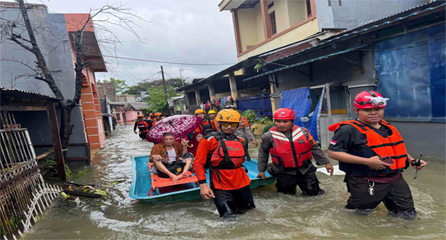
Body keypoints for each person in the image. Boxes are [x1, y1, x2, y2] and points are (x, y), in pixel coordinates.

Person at [327, 91, 427, 219]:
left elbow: (393, 148)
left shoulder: (387, 127)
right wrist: (367, 161)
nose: (374, 113)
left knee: (408, 215)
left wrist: (412, 160)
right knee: (360, 215)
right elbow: (333, 152)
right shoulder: (347, 130)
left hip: (395, 179)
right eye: (367, 110)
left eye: (378, 109)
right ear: (356, 110)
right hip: (365, 181)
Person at [257, 108, 334, 195]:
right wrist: (261, 170)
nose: (281, 124)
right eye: (278, 121)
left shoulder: (303, 132)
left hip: (305, 169)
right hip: (284, 172)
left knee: (314, 194)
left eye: (285, 122)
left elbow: (314, 148)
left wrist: (326, 163)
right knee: (286, 197)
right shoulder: (268, 136)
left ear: (292, 121)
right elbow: (263, 153)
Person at [193, 109, 255, 218]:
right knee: (228, 218)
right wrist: (203, 185)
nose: (229, 127)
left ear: (237, 125)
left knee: (249, 214)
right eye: (226, 124)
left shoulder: (240, 140)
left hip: (242, 183)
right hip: (220, 184)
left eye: (233, 124)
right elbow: (198, 163)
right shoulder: (208, 140)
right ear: (218, 124)